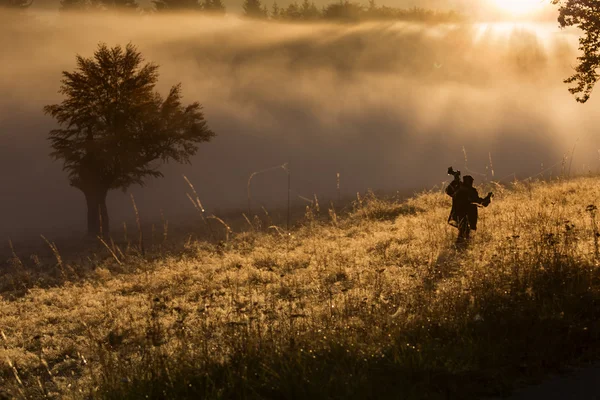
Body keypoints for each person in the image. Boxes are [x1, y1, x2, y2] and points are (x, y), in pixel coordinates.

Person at [452, 175, 492, 244]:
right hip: (468, 217)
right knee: (465, 235)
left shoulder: (458, 189)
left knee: (462, 234)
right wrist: (488, 198)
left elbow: (448, 190)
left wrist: (455, 180)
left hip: (459, 216)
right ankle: (461, 248)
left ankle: (459, 247)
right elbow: (480, 202)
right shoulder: (470, 191)